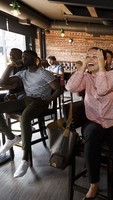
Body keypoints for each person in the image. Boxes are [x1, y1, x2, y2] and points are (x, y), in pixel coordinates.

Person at [65, 47, 113, 199]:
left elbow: (102, 90)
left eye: (95, 56)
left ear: (104, 60)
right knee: (93, 133)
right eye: (88, 56)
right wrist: (82, 67)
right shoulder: (86, 78)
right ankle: (93, 184)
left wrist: (101, 68)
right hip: (94, 121)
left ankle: (94, 148)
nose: (90, 59)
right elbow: (70, 87)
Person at [0, 50, 63, 178]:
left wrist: (47, 100)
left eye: (27, 56)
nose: (23, 58)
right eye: (23, 56)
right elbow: (2, 81)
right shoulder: (23, 74)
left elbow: (59, 90)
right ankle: (11, 137)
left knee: (24, 119)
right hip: (26, 100)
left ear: (36, 59)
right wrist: (10, 65)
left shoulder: (44, 73)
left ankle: (25, 158)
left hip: (40, 102)